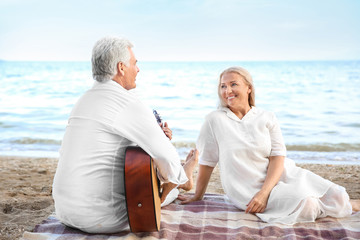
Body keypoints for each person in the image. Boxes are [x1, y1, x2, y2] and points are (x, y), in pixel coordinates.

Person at [52, 36, 198, 233]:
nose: (138, 69)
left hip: (64, 212)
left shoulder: (83, 100)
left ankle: (180, 179)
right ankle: (185, 180)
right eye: (135, 64)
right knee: (162, 185)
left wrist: (155, 140)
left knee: (139, 157)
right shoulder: (127, 102)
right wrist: (171, 177)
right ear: (121, 68)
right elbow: (168, 158)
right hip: (102, 218)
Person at [179, 66, 359, 224]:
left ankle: (348, 205)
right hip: (246, 189)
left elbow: (277, 157)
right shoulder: (214, 120)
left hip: (280, 175)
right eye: (223, 86)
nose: (227, 91)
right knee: (307, 204)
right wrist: (198, 195)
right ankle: (340, 207)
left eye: (234, 84)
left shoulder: (266, 116)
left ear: (248, 88)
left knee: (335, 193)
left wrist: (264, 193)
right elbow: (208, 161)